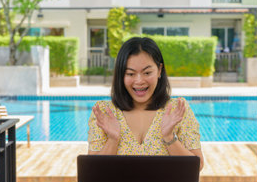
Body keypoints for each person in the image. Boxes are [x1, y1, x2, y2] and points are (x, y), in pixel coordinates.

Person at [87, 37, 204, 171]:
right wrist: (113, 140)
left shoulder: (178, 109)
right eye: (130, 73)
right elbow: (93, 171)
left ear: (159, 70)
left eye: (147, 73)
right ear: (121, 75)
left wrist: (169, 137)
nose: (139, 81)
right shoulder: (103, 112)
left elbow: (197, 166)